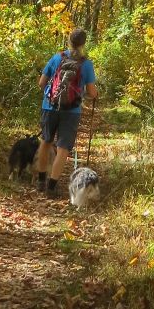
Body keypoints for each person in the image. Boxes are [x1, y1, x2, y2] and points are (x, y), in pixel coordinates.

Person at [35, 27, 97, 198]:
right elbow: (92, 93)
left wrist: (51, 93)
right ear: (84, 44)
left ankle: (41, 181)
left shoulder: (57, 58)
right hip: (72, 110)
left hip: (50, 106)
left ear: (69, 41)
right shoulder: (86, 64)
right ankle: (52, 186)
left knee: (46, 142)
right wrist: (93, 94)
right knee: (63, 149)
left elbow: (41, 83)